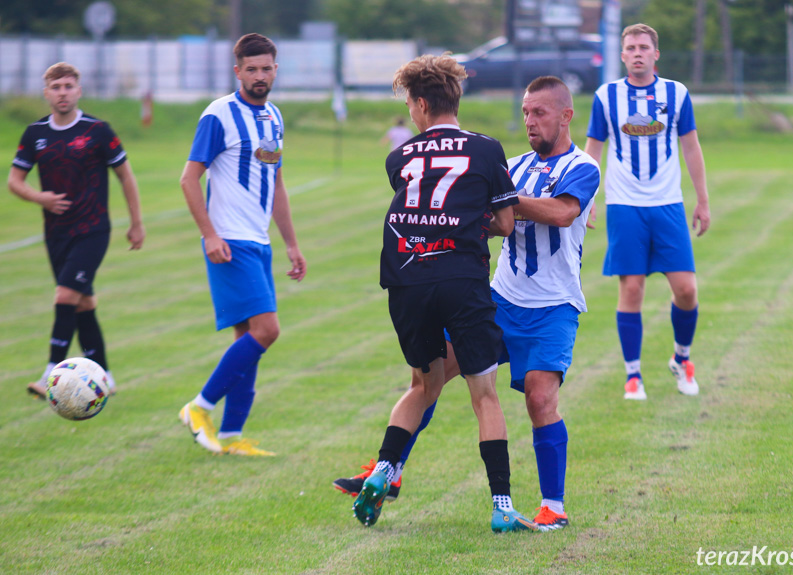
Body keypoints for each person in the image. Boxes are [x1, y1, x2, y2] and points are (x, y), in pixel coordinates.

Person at [335, 76, 600, 532]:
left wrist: (501, 199)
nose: (530, 121)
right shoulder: (510, 163)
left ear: (566, 116)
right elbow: (484, 216)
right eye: (525, 112)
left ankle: (552, 505)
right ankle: (389, 469)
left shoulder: (584, 166)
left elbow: (562, 213)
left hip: (553, 305)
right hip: (500, 297)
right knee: (429, 375)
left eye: (539, 113)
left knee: (539, 398)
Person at [351, 54, 535, 533]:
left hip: (407, 279)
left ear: (419, 104)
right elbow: (505, 221)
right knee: (484, 395)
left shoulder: (400, 157)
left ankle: (384, 471)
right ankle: (501, 506)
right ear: (455, 99)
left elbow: (419, 202)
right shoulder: (488, 149)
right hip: (460, 279)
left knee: (422, 385)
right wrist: (472, 224)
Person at [178, 33, 306, 456]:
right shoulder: (219, 115)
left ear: (275, 69)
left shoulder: (273, 117)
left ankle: (232, 436)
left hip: (258, 241)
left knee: (247, 338)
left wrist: (290, 243)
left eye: (266, 68)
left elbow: (277, 184)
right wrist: (209, 235)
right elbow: (189, 179)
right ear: (238, 71)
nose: (260, 75)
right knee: (267, 330)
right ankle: (198, 408)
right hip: (229, 241)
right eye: (251, 69)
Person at [584, 23, 710, 400]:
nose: (637, 52)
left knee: (686, 289)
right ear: (622, 56)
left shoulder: (676, 93)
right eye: (630, 48)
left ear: (656, 54)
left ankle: (681, 359)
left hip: (668, 204)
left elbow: (691, 148)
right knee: (632, 288)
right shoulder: (606, 97)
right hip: (625, 206)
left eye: (644, 47)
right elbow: (592, 150)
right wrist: (586, 198)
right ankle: (633, 375)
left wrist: (702, 200)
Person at [8, 62, 145, 399]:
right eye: (56, 88)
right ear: (47, 93)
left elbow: (125, 175)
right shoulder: (35, 134)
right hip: (56, 233)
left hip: (93, 229)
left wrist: (136, 222)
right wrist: (39, 197)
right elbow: (14, 181)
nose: (63, 93)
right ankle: (106, 376)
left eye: (69, 86)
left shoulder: (98, 131)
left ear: (78, 90)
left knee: (65, 296)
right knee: (82, 303)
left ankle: (49, 374)